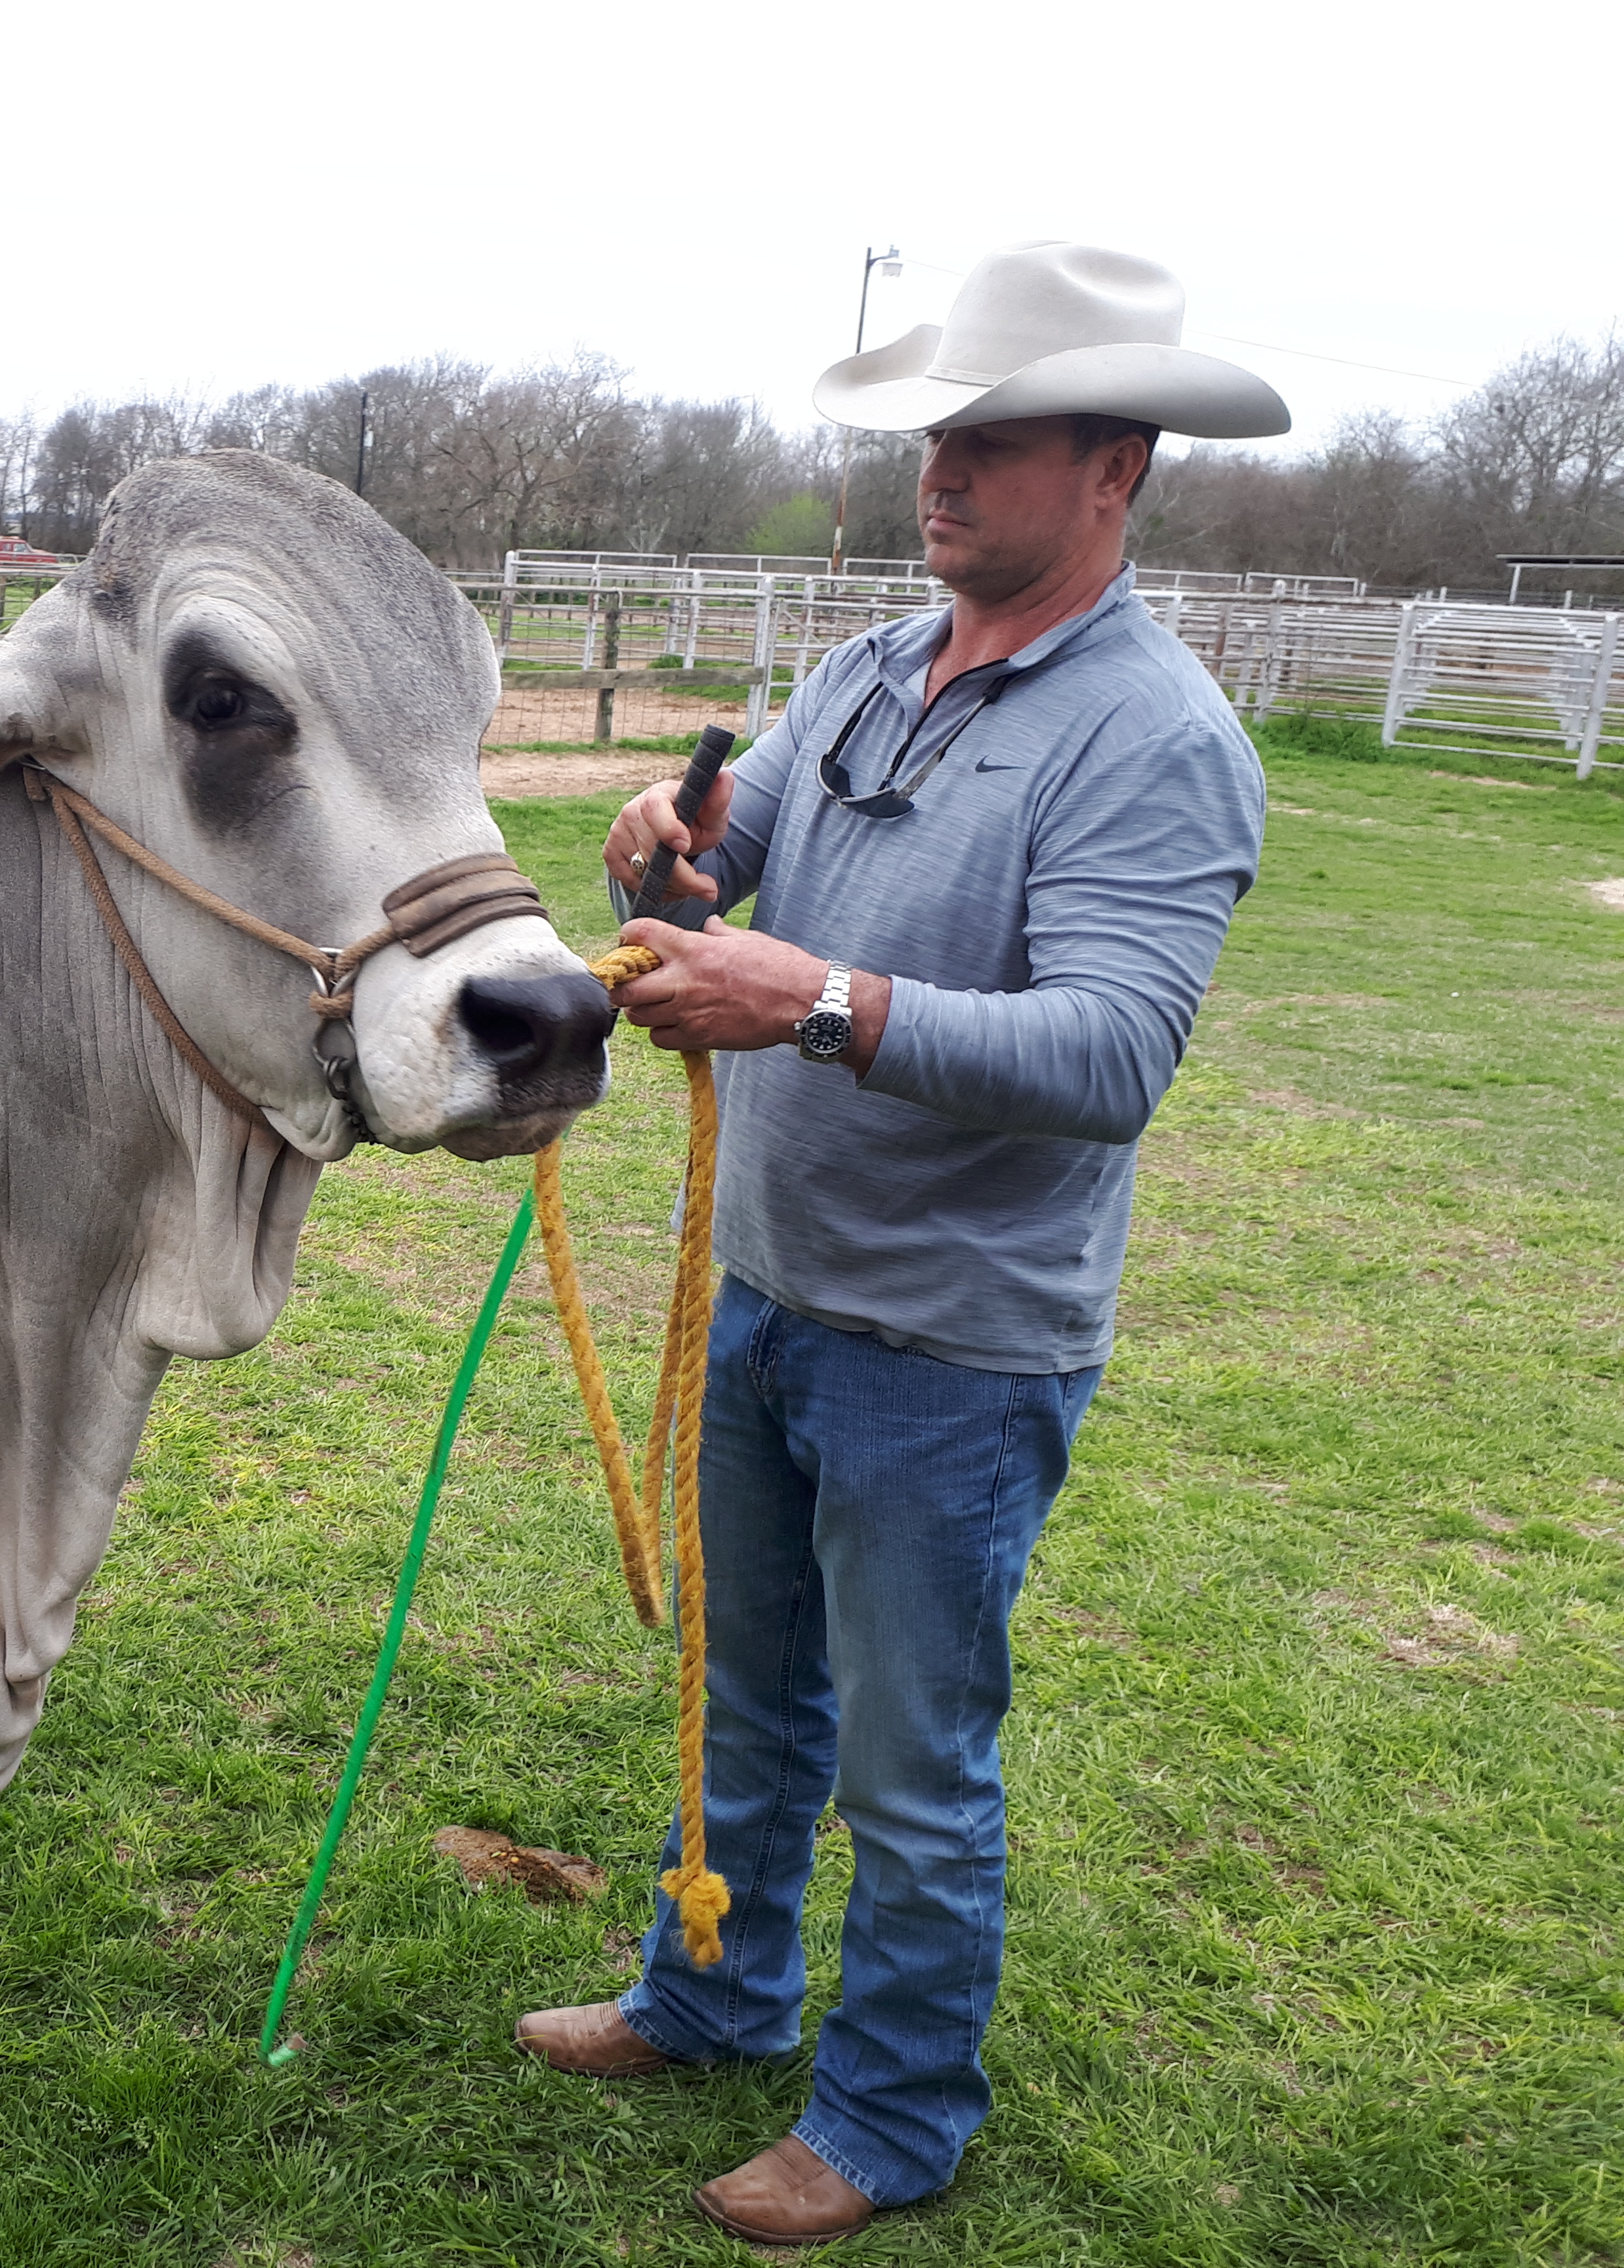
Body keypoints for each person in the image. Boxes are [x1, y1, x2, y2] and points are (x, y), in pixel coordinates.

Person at [513, 242, 1288, 2248]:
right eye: (935, 438)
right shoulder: (869, 662)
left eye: (991, 442)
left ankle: (892, 2117)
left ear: (1113, 465)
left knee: (912, 1766)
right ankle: (711, 1988)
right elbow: (739, 848)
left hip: (953, 1347)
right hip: (771, 1292)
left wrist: (820, 1004)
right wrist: (669, 854)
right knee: (752, 1696)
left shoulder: (1158, 737)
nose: (940, 475)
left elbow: (1114, 1052)